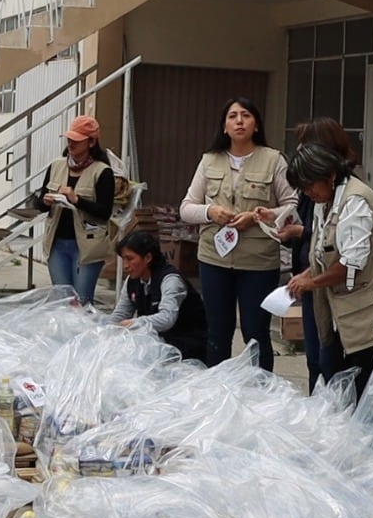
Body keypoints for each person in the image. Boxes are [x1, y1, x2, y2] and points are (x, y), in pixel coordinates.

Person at [178, 97, 297, 370]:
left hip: (258, 261)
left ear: (256, 124)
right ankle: (217, 393)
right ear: (224, 127)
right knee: (218, 333)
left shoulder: (273, 159)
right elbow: (186, 208)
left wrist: (257, 217)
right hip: (214, 259)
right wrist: (210, 212)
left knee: (256, 334)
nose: (239, 121)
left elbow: (292, 206)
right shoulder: (209, 160)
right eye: (232, 116)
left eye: (246, 115)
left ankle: (259, 393)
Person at [284, 142, 373, 403]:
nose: (307, 192)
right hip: (340, 313)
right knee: (333, 380)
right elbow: (323, 250)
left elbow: (352, 265)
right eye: (303, 187)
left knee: (364, 393)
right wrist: (307, 274)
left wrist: (312, 282)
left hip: (368, 314)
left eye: (310, 184)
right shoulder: (323, 201)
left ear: (330, 175)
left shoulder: (355, 200)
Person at [273, 118, 360, 392]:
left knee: (333, 363)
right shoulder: (317, 193)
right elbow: (318, 239)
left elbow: (347, 257)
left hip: (338, 291)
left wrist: (311, 277)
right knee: (316, 360)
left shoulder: (352, 198)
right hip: (312, 279)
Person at [33, 115, 115, 307]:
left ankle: (84, 336)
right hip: (57, 243)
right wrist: (45, 201)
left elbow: (105, 212)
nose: (71, 143)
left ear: (92, 142)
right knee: (62, 302)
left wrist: (77, 200)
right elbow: (39, 203)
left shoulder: (102, 171)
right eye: (69, 139)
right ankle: (65, 337)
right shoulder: (56, 166)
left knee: (82, 303)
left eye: (77, 140)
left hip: (87, 247)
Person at [110, 232, 207, 361]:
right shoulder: (132, 280)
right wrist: (93, 323)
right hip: (158, 342)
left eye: (130, 259)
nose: (126, 266)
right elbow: (119, 315)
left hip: (186, 345)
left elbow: (167, 318)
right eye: (124, 259)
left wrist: (136, 323)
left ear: (148, 257)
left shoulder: (171, 280)